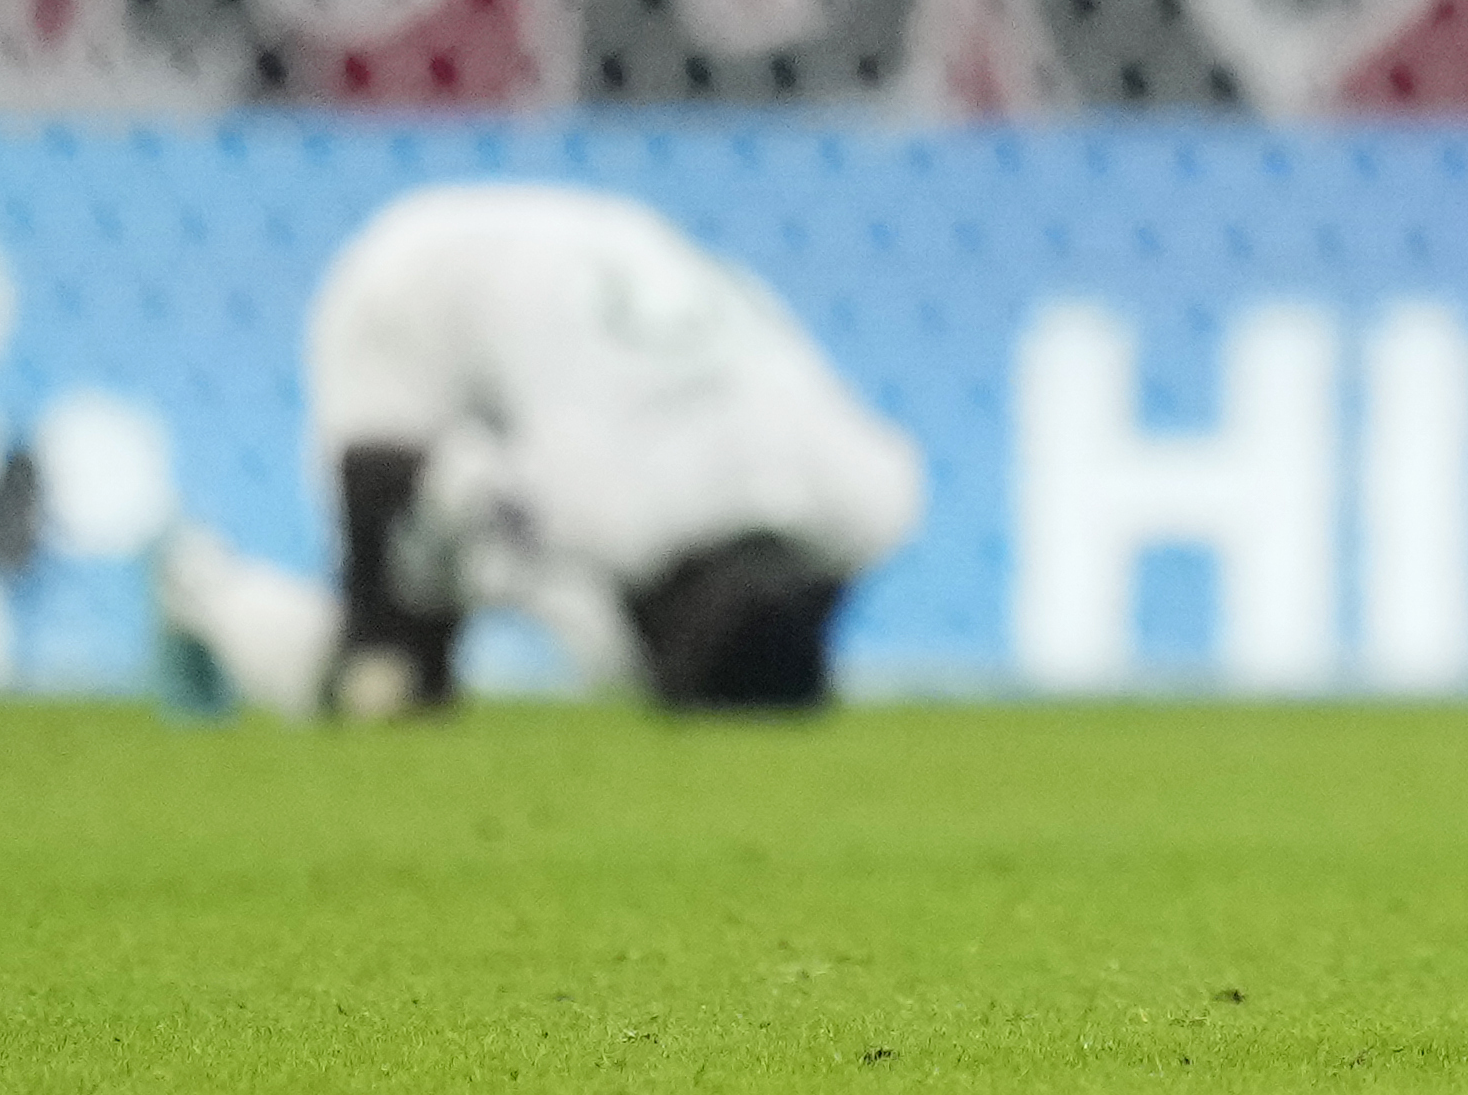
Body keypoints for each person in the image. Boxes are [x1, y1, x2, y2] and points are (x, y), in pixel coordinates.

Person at [152, 181, 924, 716]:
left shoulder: (871, 497)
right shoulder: (603, 507)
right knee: (387, 683)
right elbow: (455, 507)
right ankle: (196, 586)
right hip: (410, 292)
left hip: (586, 244)